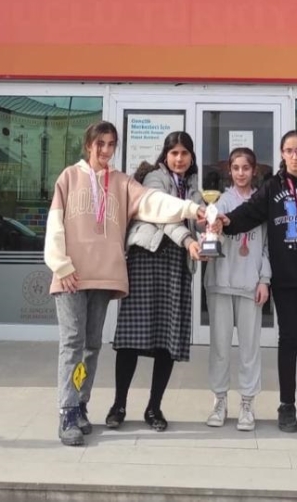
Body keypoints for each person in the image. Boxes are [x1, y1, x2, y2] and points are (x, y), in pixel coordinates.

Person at [44, 121, 206, 447]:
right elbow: (55, 224)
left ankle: (81, 404)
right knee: (72, 343)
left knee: (91, 346)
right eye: (100, 144)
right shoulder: (69, 177)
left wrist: (193, 208)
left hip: (103, 276)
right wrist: (60, 264)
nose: (106, 150)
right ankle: (67, 411)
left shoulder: (122, 183)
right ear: (88, 145)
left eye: (111, 144)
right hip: (71, 274)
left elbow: (155, 203)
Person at [215, 130, 297, 434]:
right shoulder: (273, 186)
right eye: (288, 150)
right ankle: (286, 406)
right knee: (288, 340)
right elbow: (249, 212)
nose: (294, 156)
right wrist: (225, 222)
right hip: (286, 277)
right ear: (282, 154)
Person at [107, 131, 204, 432]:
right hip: (147, 258)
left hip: (177, 265)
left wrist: (211, 225)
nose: (179, 159)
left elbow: (199, 221)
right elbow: (164, 215)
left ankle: (154, 407)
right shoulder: (153, 179)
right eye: (174, 153)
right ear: (165, 155)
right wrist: (189, 238)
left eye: (184, 153)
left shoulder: (194, 186)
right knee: (131, 338)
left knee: (167, 340)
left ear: (191, 157)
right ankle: (118, 405)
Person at [204, 147, 271, 431]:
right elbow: (210, 240)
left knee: (249, 348)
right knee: (220, 347)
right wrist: (211, 230)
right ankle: (219, 400)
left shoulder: (261, 204)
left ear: (254, 171)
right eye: (236, 168)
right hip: (221, 282)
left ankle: (247, 402)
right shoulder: (219, 203)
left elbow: (267, 246)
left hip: (249, 284)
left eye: (246, 168)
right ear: (229, 171)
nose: (241, 173)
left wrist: (265, 279)